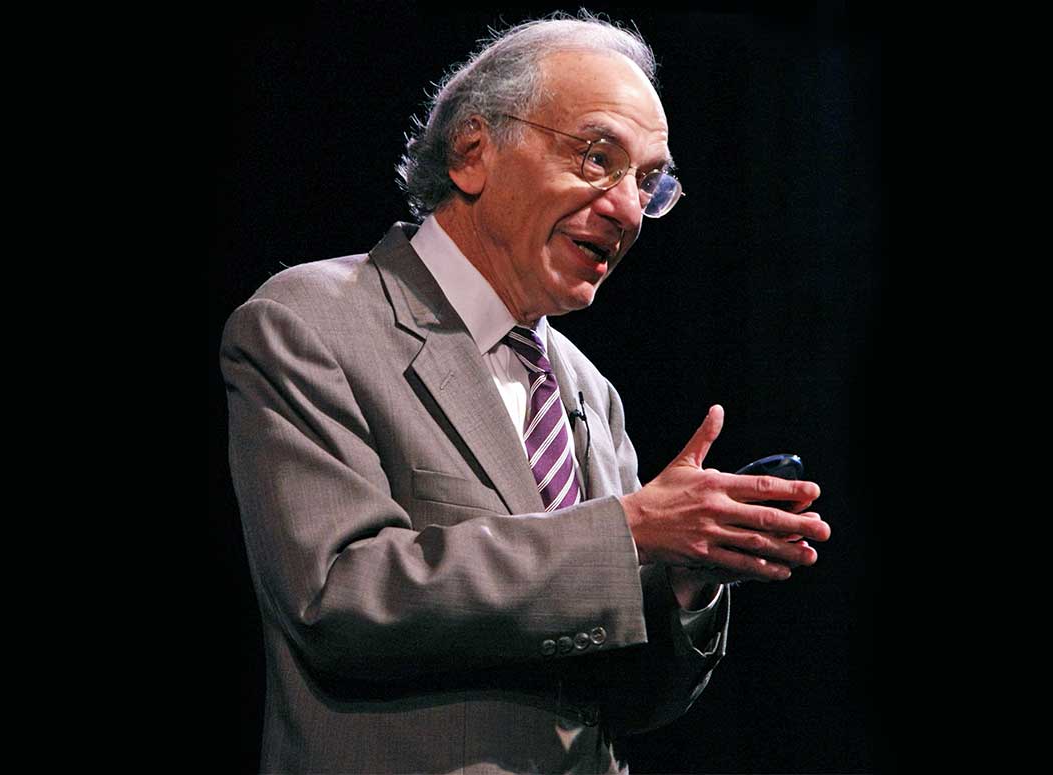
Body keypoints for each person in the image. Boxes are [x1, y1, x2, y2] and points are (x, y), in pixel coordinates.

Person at [220, 13, 830, 773]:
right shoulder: (312, 320)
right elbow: (341, 598)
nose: (628, 210)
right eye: (598, 158)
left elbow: (625, 701)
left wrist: (685, 582)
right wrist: (629, 532)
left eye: (647, 183)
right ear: (473, 152)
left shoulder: (589, 391)